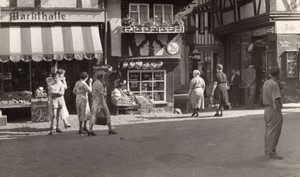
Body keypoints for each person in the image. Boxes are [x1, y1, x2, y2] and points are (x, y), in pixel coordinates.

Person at [262, 67, 283, 160]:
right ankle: (271, 152)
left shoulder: (266, 82)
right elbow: (275, 100)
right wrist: (278, 112)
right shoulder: (275, 85)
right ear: (278, 74)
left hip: (266, 109)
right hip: (273, 110)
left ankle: (267, 151)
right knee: (274, 131)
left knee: (268, 131)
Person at [88, 71, 117, 136]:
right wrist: (102, 104)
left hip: (95, 101)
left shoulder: (94, 83)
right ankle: (110, 129)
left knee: (93, 115)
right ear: (101, 77)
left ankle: (90, 129)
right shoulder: (100, 84)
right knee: (107, 114)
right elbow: (101, 94)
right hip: (100, 101)